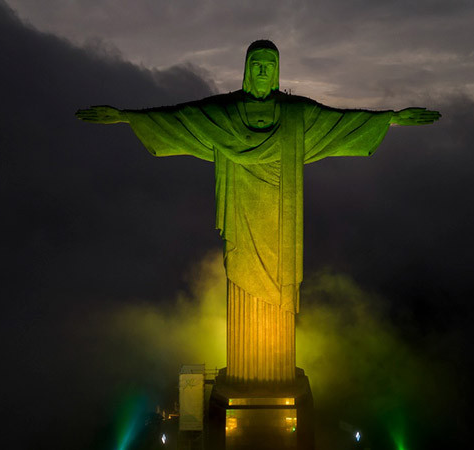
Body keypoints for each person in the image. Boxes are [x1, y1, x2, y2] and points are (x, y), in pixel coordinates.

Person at [76, 40, 440, 384]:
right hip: (242, 215)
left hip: (280, 226)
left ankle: (271, 377)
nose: (264, 71)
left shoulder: (297, 116)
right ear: (247, 70)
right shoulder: (226, 114)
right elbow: (182, 118)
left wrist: (390, 118)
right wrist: (126, 117)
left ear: (278, 71)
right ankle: (246, 377)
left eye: (270, 65)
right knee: (242, 283)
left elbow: (342, 121)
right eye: (257, 65)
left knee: (276, 295)